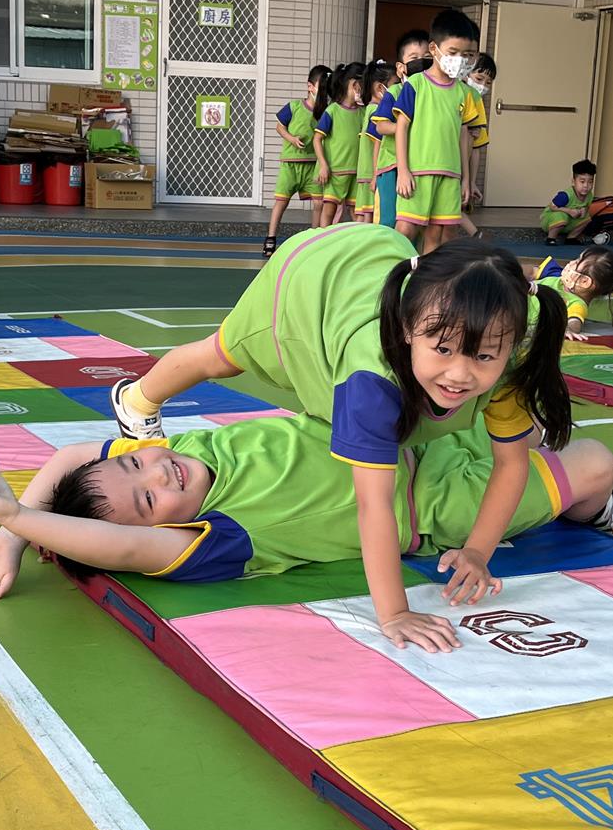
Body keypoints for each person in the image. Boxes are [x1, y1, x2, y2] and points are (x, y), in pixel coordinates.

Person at [106, 224, 571, 651]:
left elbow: (511, 463)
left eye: (483, 357)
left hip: (373, 262)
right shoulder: (370, 378)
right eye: (443, 350)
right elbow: (374, 504)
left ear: (509, 346)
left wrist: (477, 551)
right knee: (221, 355)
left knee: (391, 414)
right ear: (407, 329)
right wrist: (395, 613)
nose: (460, 373)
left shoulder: (509, 345)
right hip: (306, 277)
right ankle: (137, 399)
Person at [0, 411, 613, 659]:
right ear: (168, 527)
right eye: (150, 500)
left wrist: (7, 539)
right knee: (592, 461)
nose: (157, 472)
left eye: (137, 465)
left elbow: (76, 454)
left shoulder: (183, 450)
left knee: (530, 419)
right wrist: (17, 518)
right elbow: (126, 547)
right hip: (439, 501)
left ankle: (580, 503)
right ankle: (594, 510)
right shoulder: (220, 534)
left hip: (417, 435)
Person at [394, 10, 479, 253]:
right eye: (452, 52)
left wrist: (465, 178)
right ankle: (390, 273)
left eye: (465, 54)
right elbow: (401, 127)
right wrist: (403, 171)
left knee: (437, 233)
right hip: (418, 172)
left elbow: (463, 136)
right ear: (434, 48)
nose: (459, 60)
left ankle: (424, 276)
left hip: (450, 175)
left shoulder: (463, 92)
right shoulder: (416, 84)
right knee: (405, 230)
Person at [262, 64, 331, 259]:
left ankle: (313, 238)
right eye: (322, 86)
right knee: (281, 201)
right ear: (310, 86)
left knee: (319, 203)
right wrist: (291, 139)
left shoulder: (327, 111)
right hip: (290, 164)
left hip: (313, 165)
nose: (324, 91)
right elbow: (279, 126)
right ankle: (270, 237)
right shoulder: (294, 106)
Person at [371, 29, 431, 229]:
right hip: (392, 166)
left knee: (414, 220)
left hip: (419, 164)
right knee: (390, 219)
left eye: (426, 57)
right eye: (414, 58)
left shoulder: (431, 93)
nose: (421, 62)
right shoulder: (395, 91)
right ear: (400, 67)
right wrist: (403, 127)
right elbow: (381, 126)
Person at [312, 62, 365, 227]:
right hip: (335, 171)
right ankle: (324, 240)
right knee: (329, 211)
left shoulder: (363, 112)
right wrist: (323, 165)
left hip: (357, 172)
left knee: (357, 212)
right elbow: (317, 139)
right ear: (355, 85)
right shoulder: (332, 110)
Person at [353, 59, 398, 224]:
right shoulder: (377, 111)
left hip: (367, 173)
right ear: (380, 88)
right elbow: (377, 144)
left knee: (364, 216)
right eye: (395, 84)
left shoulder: (370, 108)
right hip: (373, 173)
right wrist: (375, 175)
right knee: (370, 217)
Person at [529, 247, 613, 333]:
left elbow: (574, 322)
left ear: (584, 281)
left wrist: (569, 330)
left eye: (577, 262)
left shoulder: (577, 304)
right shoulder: (558, 279)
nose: (571, 262)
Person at [460, 52, 497, 240]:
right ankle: (476, 235)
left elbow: (476, 148)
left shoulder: (477, 101)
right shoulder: (455, 93)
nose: (483, 86)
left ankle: (475, 235)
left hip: (458, 169)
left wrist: (471, 180)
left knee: (449, 209)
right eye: (479, 79)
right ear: (466, 73)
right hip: (439, 162)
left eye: (488, 82)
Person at [541, 159, 596, 246]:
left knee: (587, 218)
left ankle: (571, 238)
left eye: (590, 182)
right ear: (573, 182)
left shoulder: (590, 195)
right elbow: (552, 206)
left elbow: (587, 206)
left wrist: (584, 210)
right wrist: (569, 211)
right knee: (562, 216)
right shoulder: (565, 195)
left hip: (568, 222)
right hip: (551, 221)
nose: (586, 186)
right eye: (582, 182)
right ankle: (551, 238)